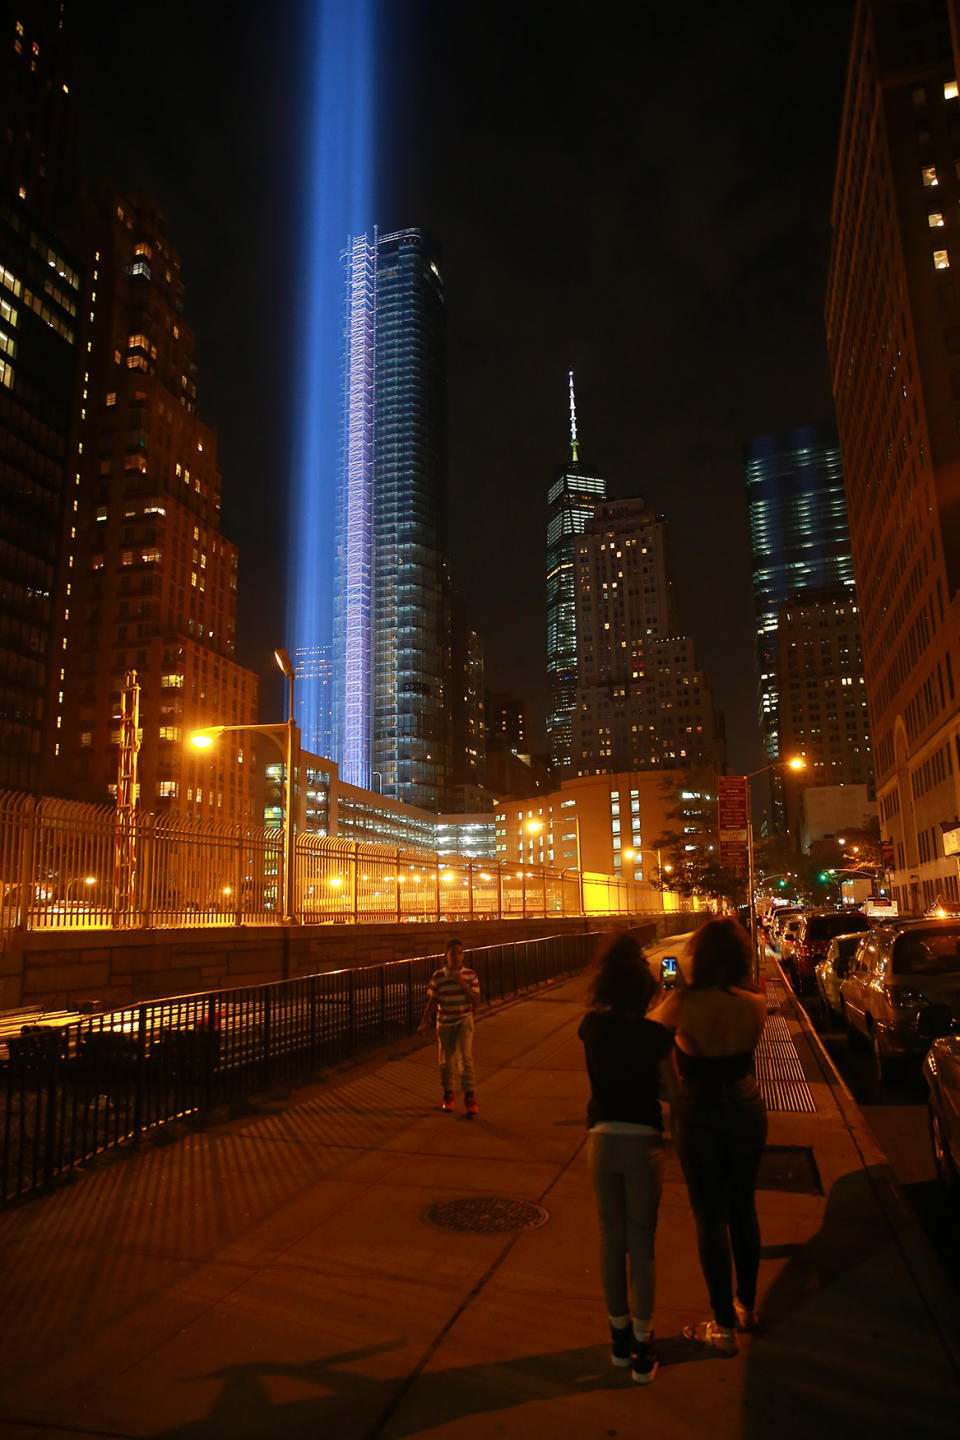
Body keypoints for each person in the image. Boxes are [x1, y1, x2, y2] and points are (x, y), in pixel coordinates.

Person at [648, 918, 767, 1356]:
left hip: (699, 1111)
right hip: (746, 1103)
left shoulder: (683, 1003)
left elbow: (648, 1033)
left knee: (709, 1215)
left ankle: (720, 1325)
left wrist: (666, 992)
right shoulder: (752, 1002)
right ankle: (747, 1307)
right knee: (743, 1208)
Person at [578, 932, 674, 1385]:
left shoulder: (591, 1028)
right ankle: (643, 1344)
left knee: (610, 1239)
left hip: (601, 1139)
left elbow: (601, 1076)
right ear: (645, 990)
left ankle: (618, 1341)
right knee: (643, 1244)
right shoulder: (654, 1036)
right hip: (643, 1141)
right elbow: (671, 1091)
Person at [418, 937, 481, 1115]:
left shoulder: (470, 975)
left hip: (464, 1020)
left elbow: (476, 1001)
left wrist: (461, 983)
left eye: (459, 954)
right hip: (444, 1021)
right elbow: (433, 1001)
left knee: (465, 1059)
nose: (456, 957)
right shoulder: (438, 977)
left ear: (463, 957)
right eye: (452, 954)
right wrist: (424, 1022)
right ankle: (448, 1095)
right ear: (446, 956)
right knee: (445, 1062)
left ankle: (470, 1097)